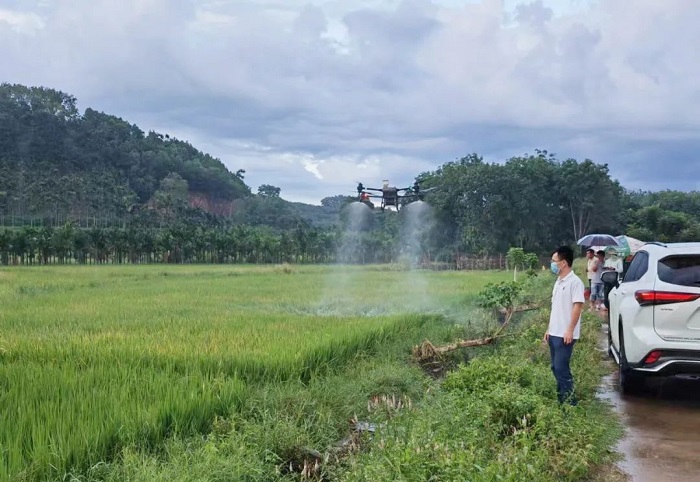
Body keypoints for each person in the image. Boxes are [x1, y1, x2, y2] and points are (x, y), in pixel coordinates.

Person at [544, 245, 585, 405]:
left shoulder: (575, 282)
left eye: (555, 261)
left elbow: (578, 306)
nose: (552, 264)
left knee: (561, 368)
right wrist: (548, 329)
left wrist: (570, 330)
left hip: (565, 335)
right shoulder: (558, 282)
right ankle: (562, 398)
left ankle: (570, 402)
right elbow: (555, 308)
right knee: (555, 367)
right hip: (554, 332)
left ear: (564, 263)